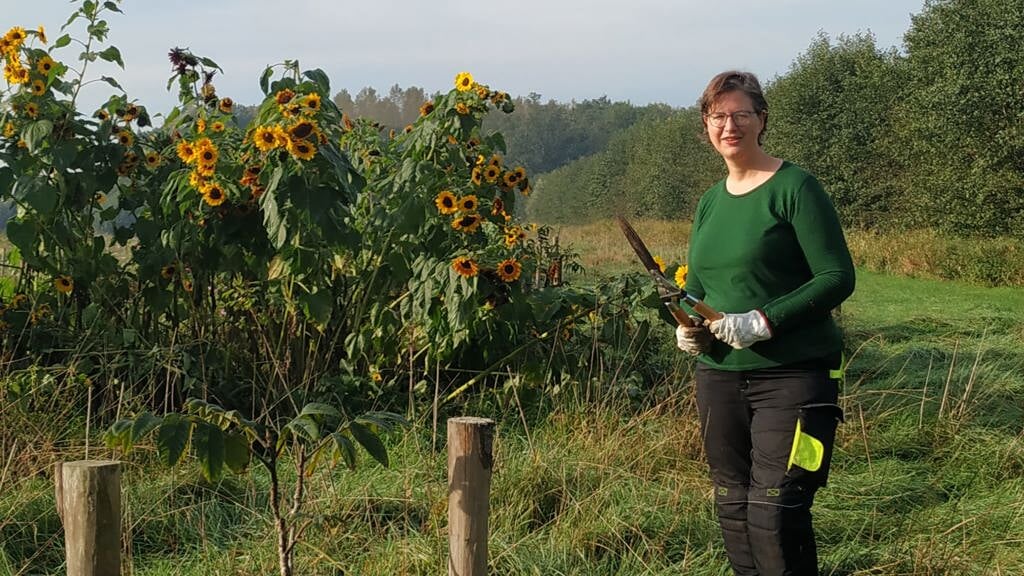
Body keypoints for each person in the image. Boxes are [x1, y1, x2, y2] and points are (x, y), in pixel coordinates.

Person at [675, 70, 855, 575]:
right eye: (718, 116)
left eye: (740, 114)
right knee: (732, 504)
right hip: (719, 377)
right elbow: (703, 288)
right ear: (706, 125)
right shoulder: (710, 201)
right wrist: (689, 325)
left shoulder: (795, 187)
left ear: (762, 120)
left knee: (776, 509)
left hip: (793, 376)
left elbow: (836, 277)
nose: (728, 125)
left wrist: (763, 321)